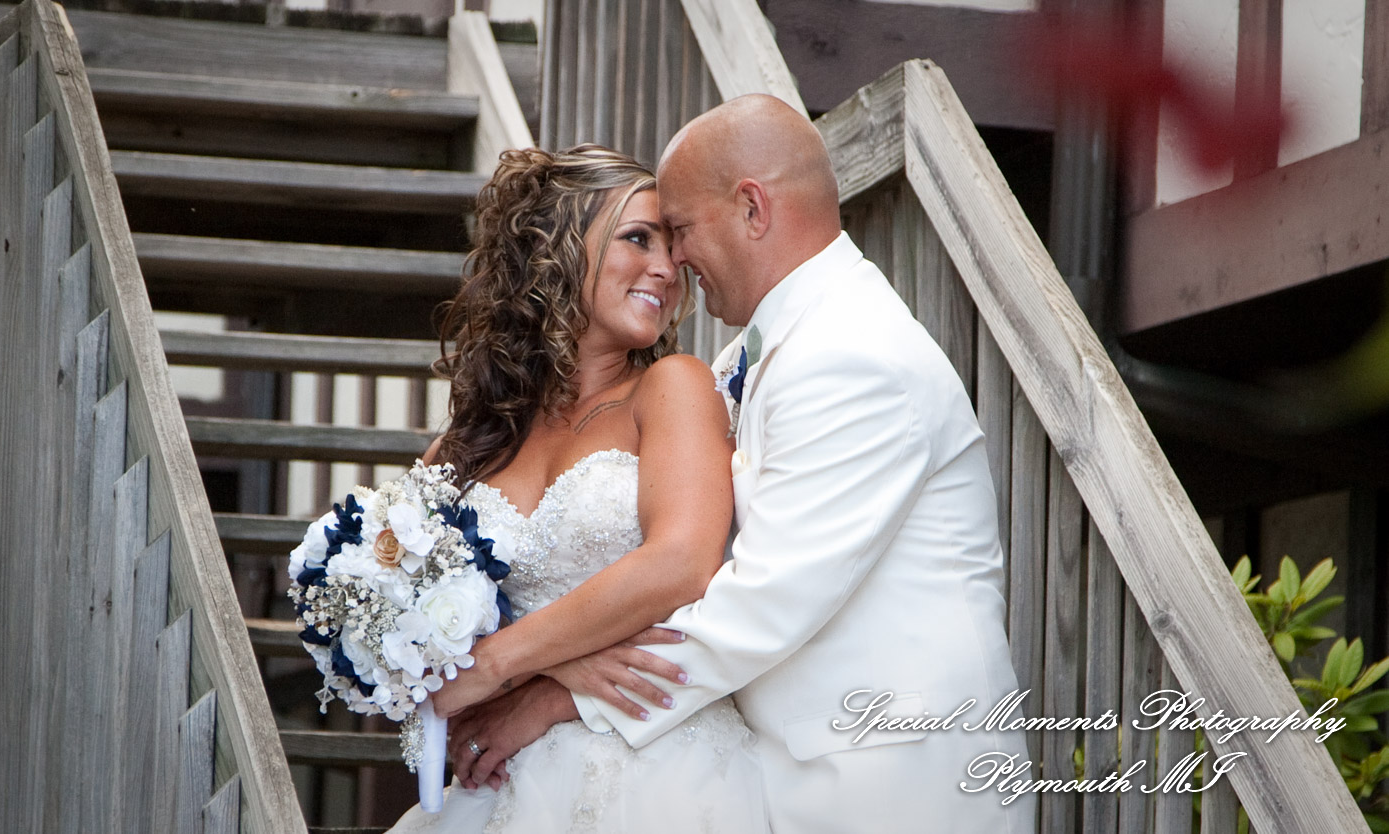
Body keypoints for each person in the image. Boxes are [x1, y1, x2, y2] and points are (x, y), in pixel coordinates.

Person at [432, 96, 1036, 833]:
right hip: (783, 767)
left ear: (752, 208)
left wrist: (550, 691)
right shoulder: (746, 357)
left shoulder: (854, 353)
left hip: (888, 775)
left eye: (679, 230)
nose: (674, 261)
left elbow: (764, 597)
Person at [384, 144, 770, 832]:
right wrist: (555, 669)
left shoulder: (671, 387)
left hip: (655, 768)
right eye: (637, 238)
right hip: (505, 776)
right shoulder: (466, 443)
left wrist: (508, 664)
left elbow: (681, 563)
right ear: (551, 253)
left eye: (673, 249)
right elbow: (409, 647)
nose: (667, 268)